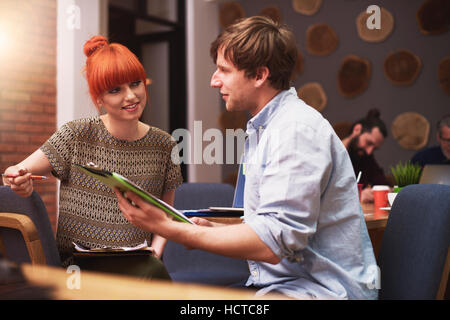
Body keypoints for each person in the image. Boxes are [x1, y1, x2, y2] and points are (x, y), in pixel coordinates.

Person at [115, 16, 378, 299]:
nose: (214, 81)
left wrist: (167, 228)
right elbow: (268, 226)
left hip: (325, 291)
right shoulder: (266, 128)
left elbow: (272, 242)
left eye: (224, 70)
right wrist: (212, 230)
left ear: (259, 75)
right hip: (285, 286)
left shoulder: (295, 130)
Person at [2, 36, 183, 279]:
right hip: (77, 267)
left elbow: (167, 212)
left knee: (152, 271)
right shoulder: (76, 135)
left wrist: (156, 252)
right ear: (99, 99)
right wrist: (17, 180)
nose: (130, 96)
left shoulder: (165, 145)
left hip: (139, 263)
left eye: (135, 83)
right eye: (115, 89)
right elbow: (15, 174)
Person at [341, 109, 390, 203]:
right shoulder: (332, 154)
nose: (369, 151)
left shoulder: (367, 158)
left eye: (374, 148)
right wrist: (358, 196)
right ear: (357, 130)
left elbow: (384, 184)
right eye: (368, 143)